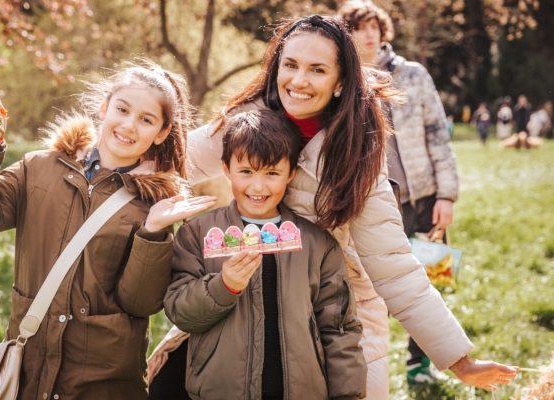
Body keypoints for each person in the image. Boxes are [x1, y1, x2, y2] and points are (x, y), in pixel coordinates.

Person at [182, 14, 517, 399]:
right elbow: (175, 159)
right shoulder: (247, 124)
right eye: (290, 65)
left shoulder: (357, 152)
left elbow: (394, 267)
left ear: (340, 82)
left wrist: (459, 360)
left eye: (317, 70)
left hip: (340, 312)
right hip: (251, 301)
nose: (299, 81)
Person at [0, 61, 216, 399]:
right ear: (104, 108)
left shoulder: (156, 203)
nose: (128, 125)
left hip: (102, 383)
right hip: (29, 370)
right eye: (122, 109)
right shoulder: (38, 169)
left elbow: (139, 302)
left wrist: (153, 231)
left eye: (146, 120)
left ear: (162, 133)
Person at [163, 109, 366, 399]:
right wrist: (223, 286)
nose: (258, 186)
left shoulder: (317, 244)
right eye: (246, 172)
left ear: (291, 173)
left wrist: (347, 395)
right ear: (226, 168)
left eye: (272, 173)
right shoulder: (197, 234)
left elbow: (340, 329)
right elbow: (180, 312)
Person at [338, 0, 466, 387]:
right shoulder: (342, 80)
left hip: (423, 195)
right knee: (375, 289)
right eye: (359, 26)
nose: (369, 33)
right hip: (373, 203)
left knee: (432, 277)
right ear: (346, 33)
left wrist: (446, 195)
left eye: (375, 25)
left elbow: (436, 135)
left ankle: (420, 364)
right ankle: (368, 368)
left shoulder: (413, 74)